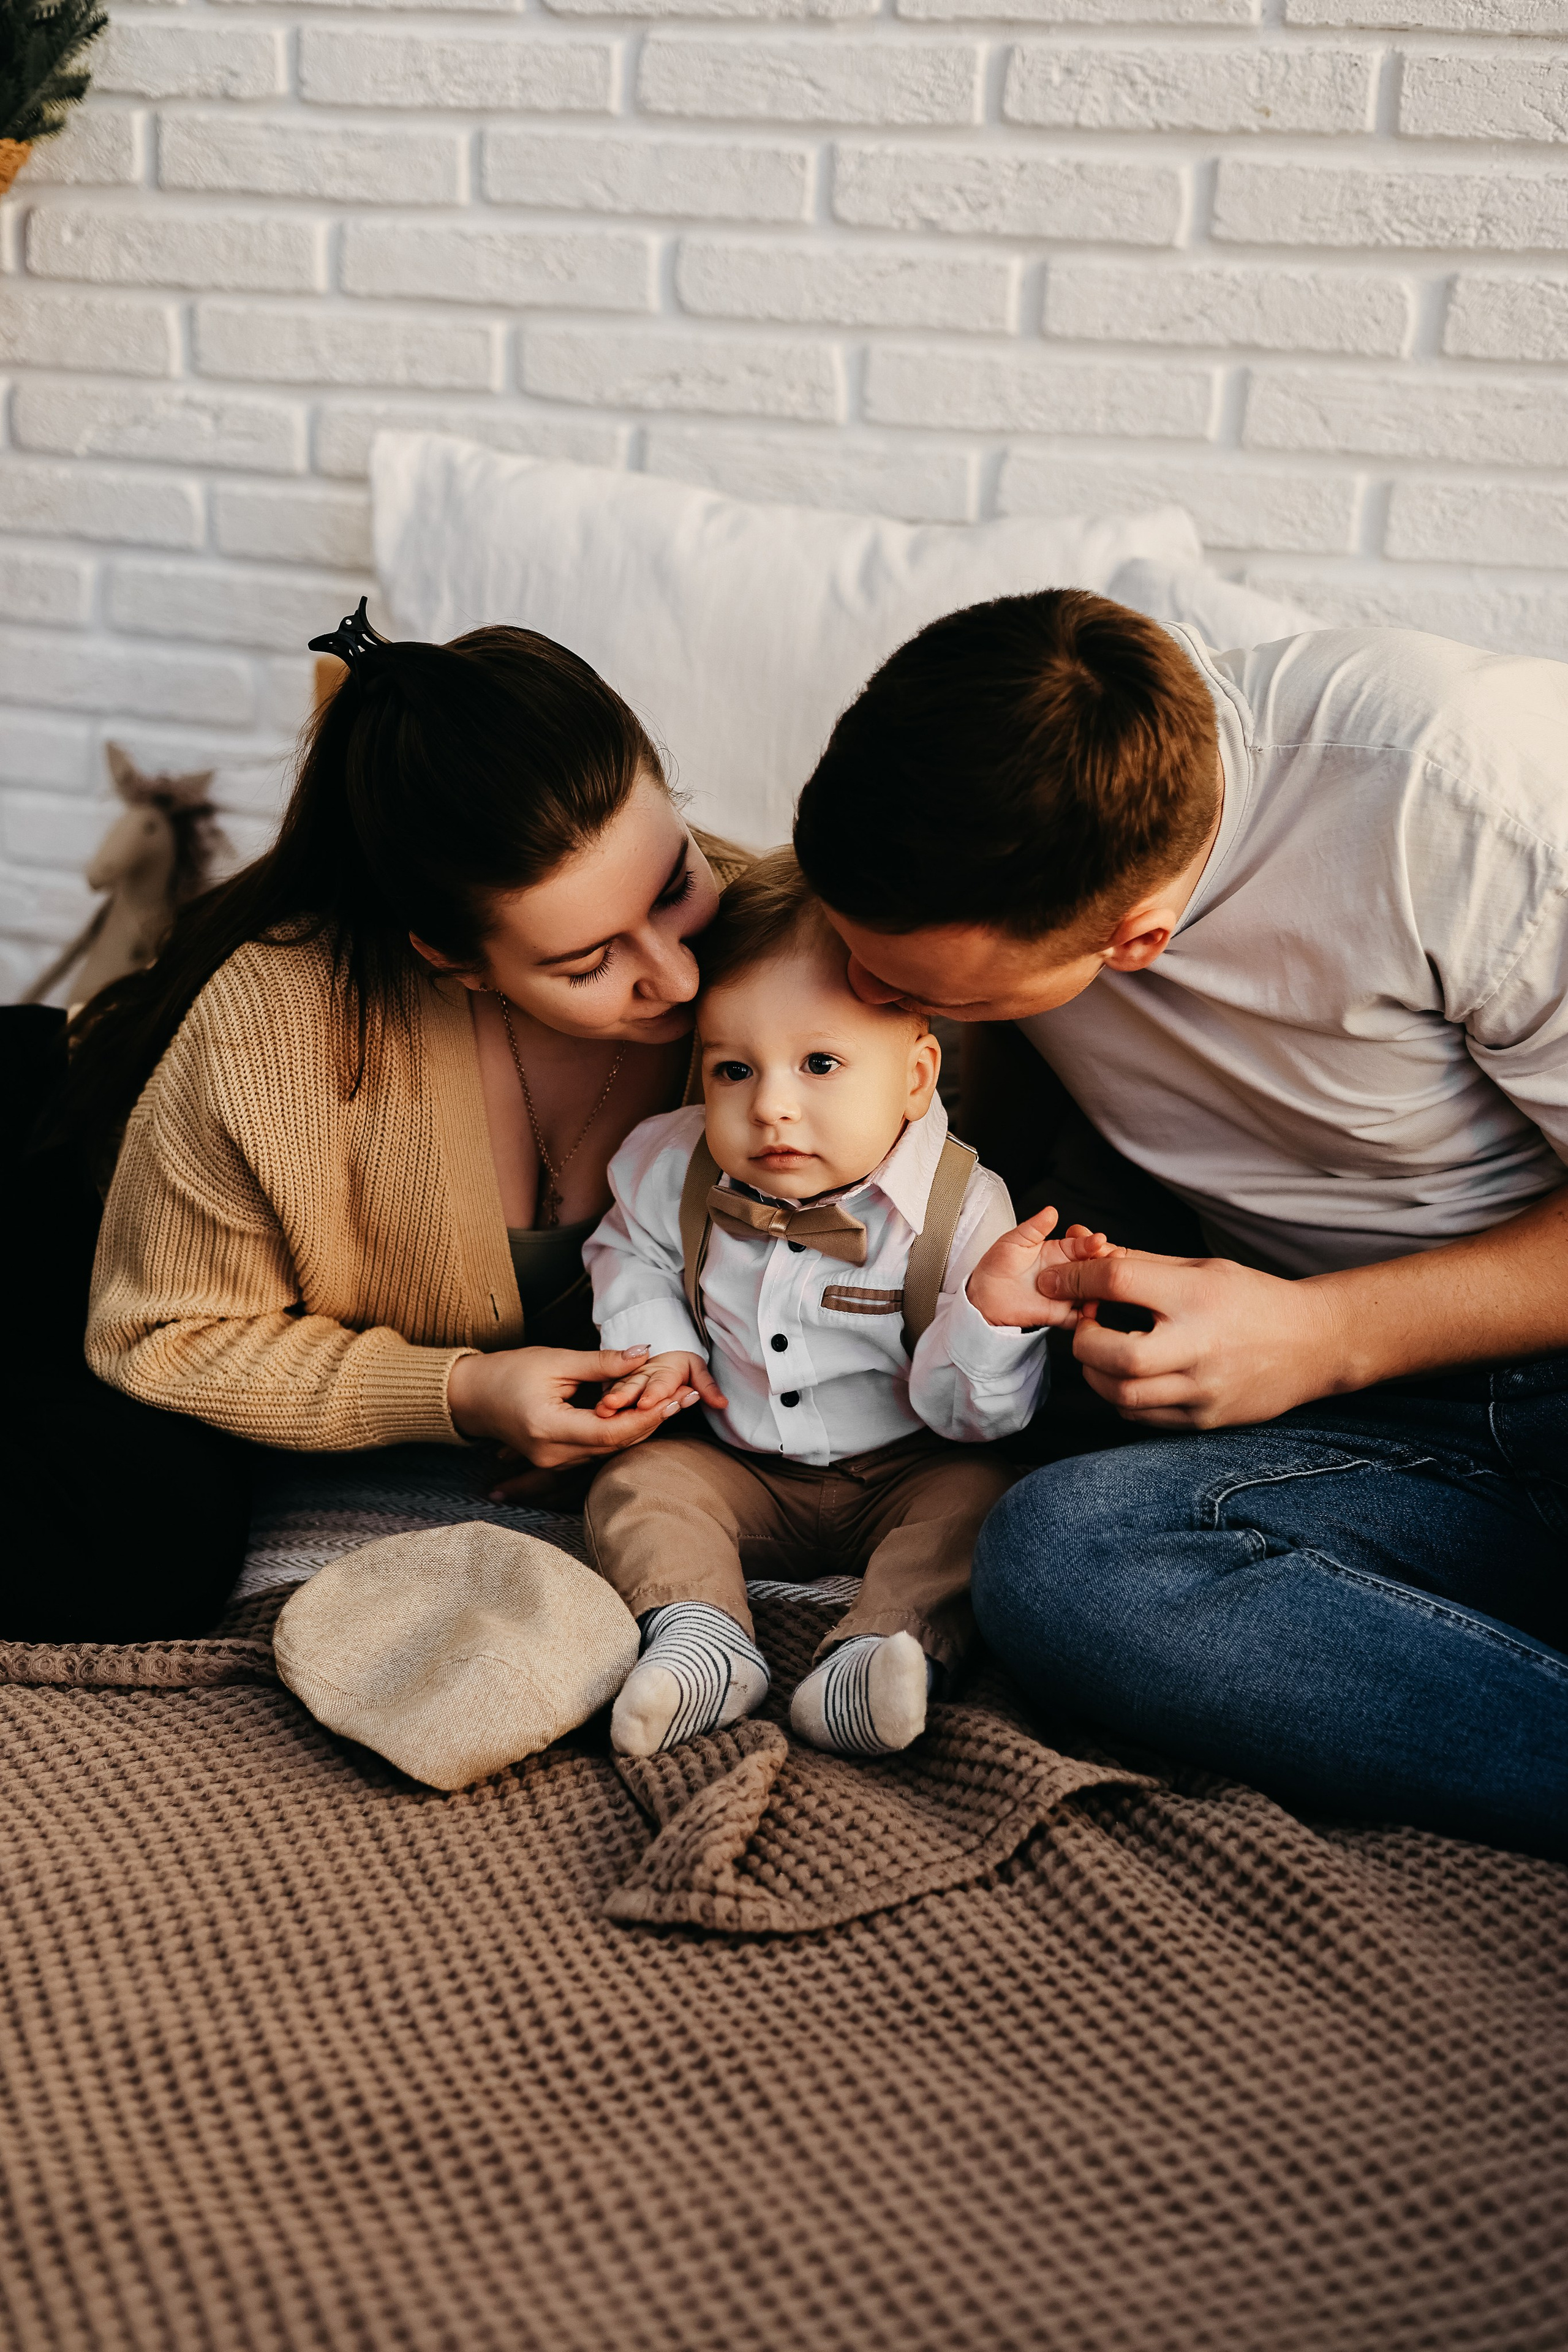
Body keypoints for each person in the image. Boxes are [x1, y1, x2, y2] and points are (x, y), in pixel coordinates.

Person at [793, 590, 1568, 1860]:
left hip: (1487, 1364)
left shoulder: (1465, 804)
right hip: (1377, 1441)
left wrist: (1324, 1335)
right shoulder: (987, 789)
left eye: (906, 988)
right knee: (1058, 1563)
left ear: (1136, 939)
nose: (854, 992)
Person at [7, 603, 749, 1645]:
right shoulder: (275, 1019)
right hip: (55, 1168)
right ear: (448, 959)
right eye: (587, 964)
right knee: (136, 1548)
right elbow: (160, 1329)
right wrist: (464, 1391)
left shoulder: (781, 945)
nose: (674, 975)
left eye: (675, 886)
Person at [579, 850, 1112, 1760]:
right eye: (733, 1071)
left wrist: (989, 1315)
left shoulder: (965, 1207)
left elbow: (975, 1422)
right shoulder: (670, 1164)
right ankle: (702, 1641)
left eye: (819, 1063)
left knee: (985, 1506)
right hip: (739, 1463)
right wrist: (660, 1347)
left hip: (907, 1470)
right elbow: (627, 1251)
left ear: (915, 1075)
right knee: (637, 1487)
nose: (773, 1108)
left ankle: (879, 1652)